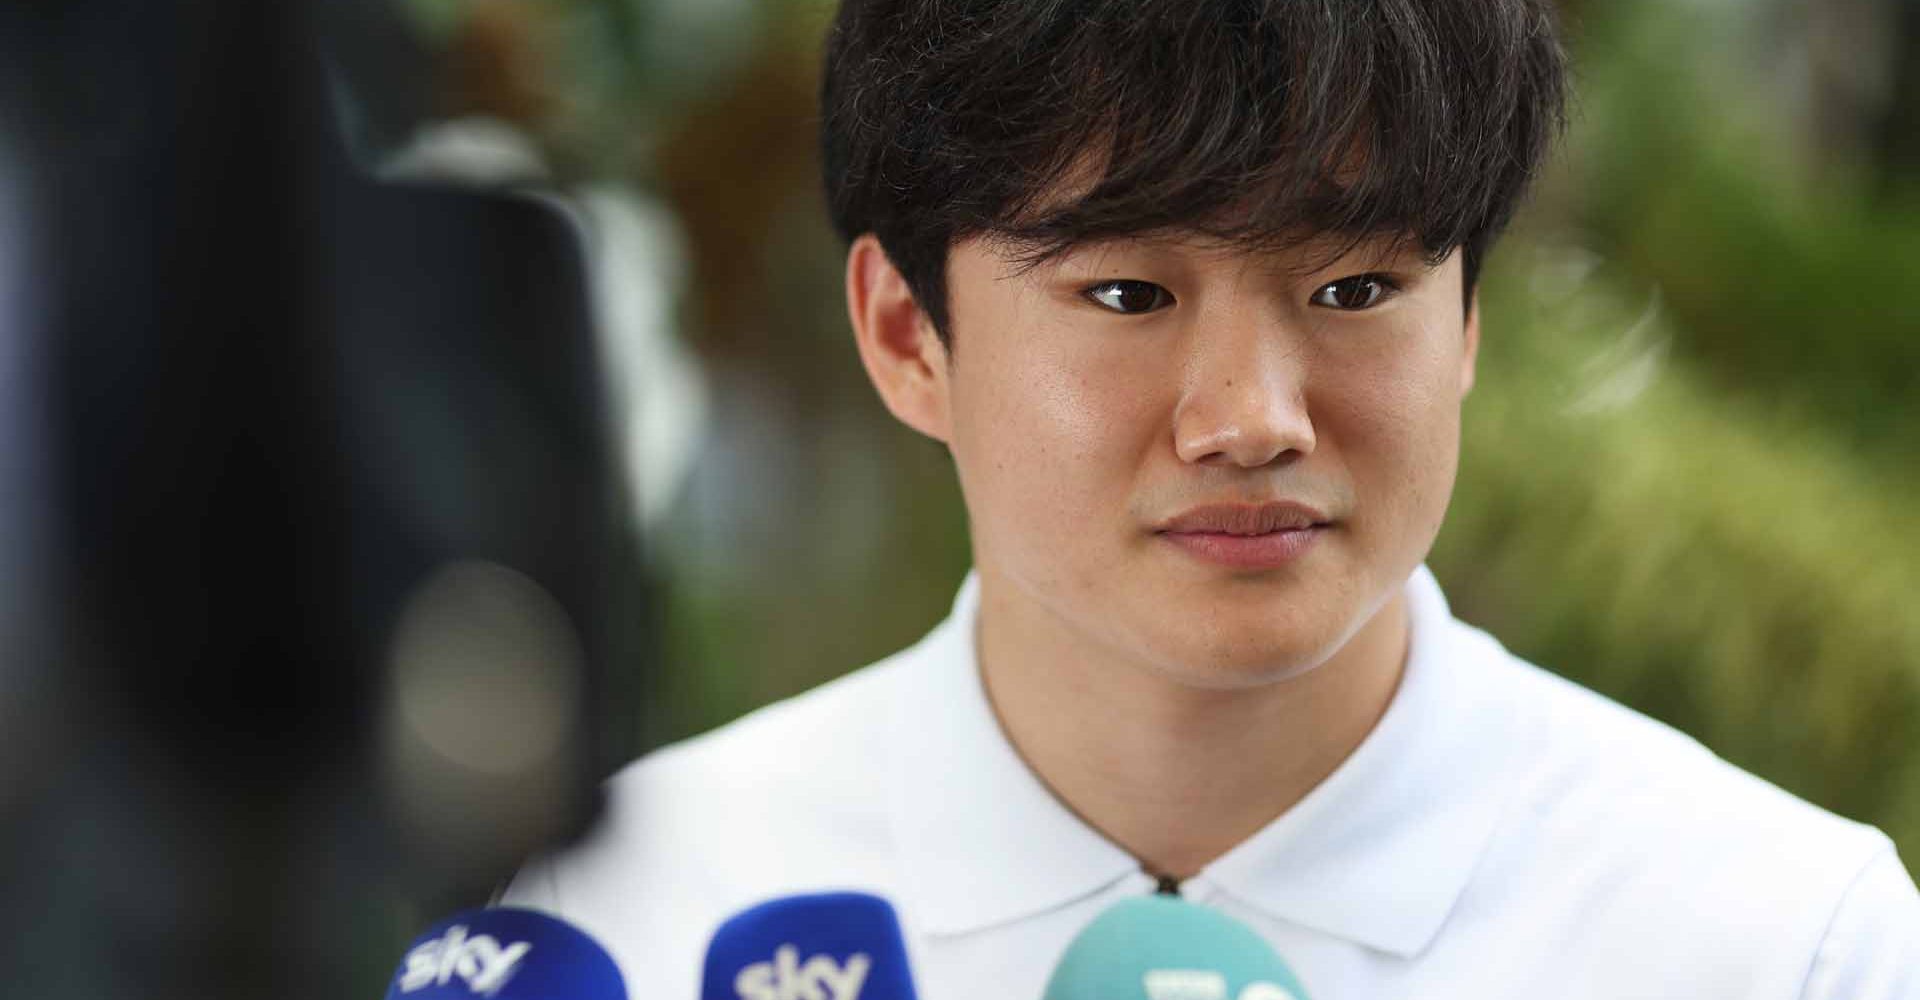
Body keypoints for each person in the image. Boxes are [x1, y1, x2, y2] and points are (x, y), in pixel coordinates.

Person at [503, 0, 1920, 995]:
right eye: (1128, 292)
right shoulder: (611, 927)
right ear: (902, 337)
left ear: (1472, 321)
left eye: (1355, 290)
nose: (1253, 419)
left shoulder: (1782, 944)